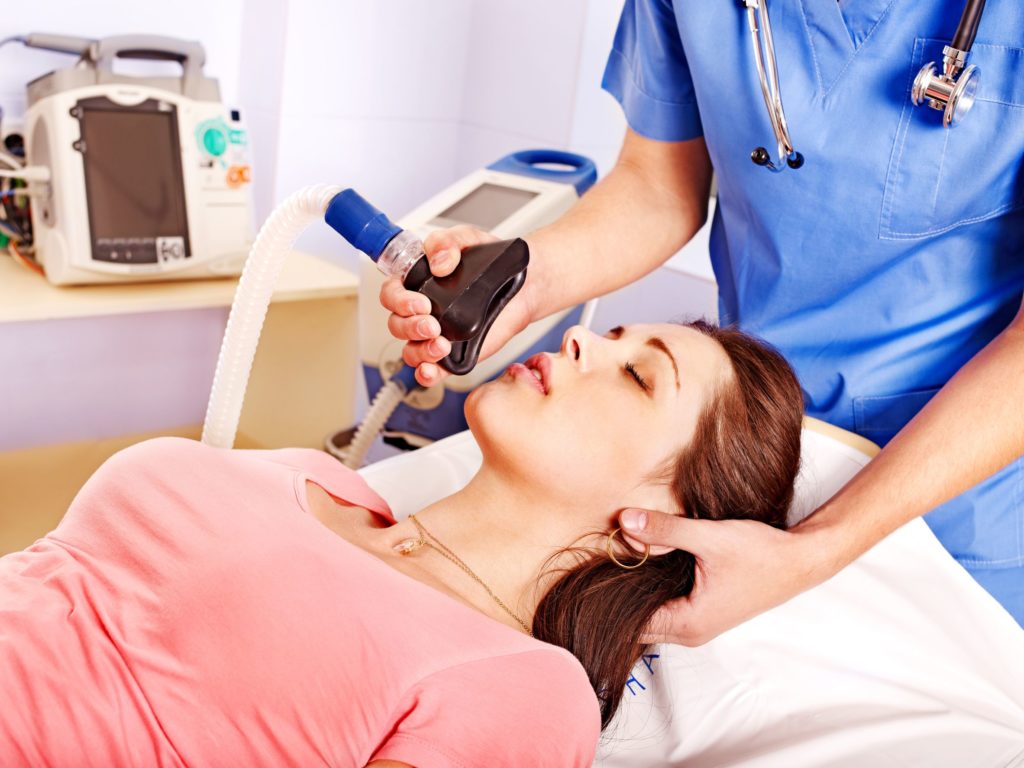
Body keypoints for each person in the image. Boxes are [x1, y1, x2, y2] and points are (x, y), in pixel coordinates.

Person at [381, 1, 1024, 637]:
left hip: (952, 507)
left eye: (638, 373)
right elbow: (658, 185)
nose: (576, 338)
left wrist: (819, 547)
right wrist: (530, 281)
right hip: (737, 467)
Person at [0, 321, 802, 766]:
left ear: (669, 514)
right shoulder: (320, 477)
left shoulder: (527, 690)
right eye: (615, 335)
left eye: (637, 375)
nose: (586, 341)